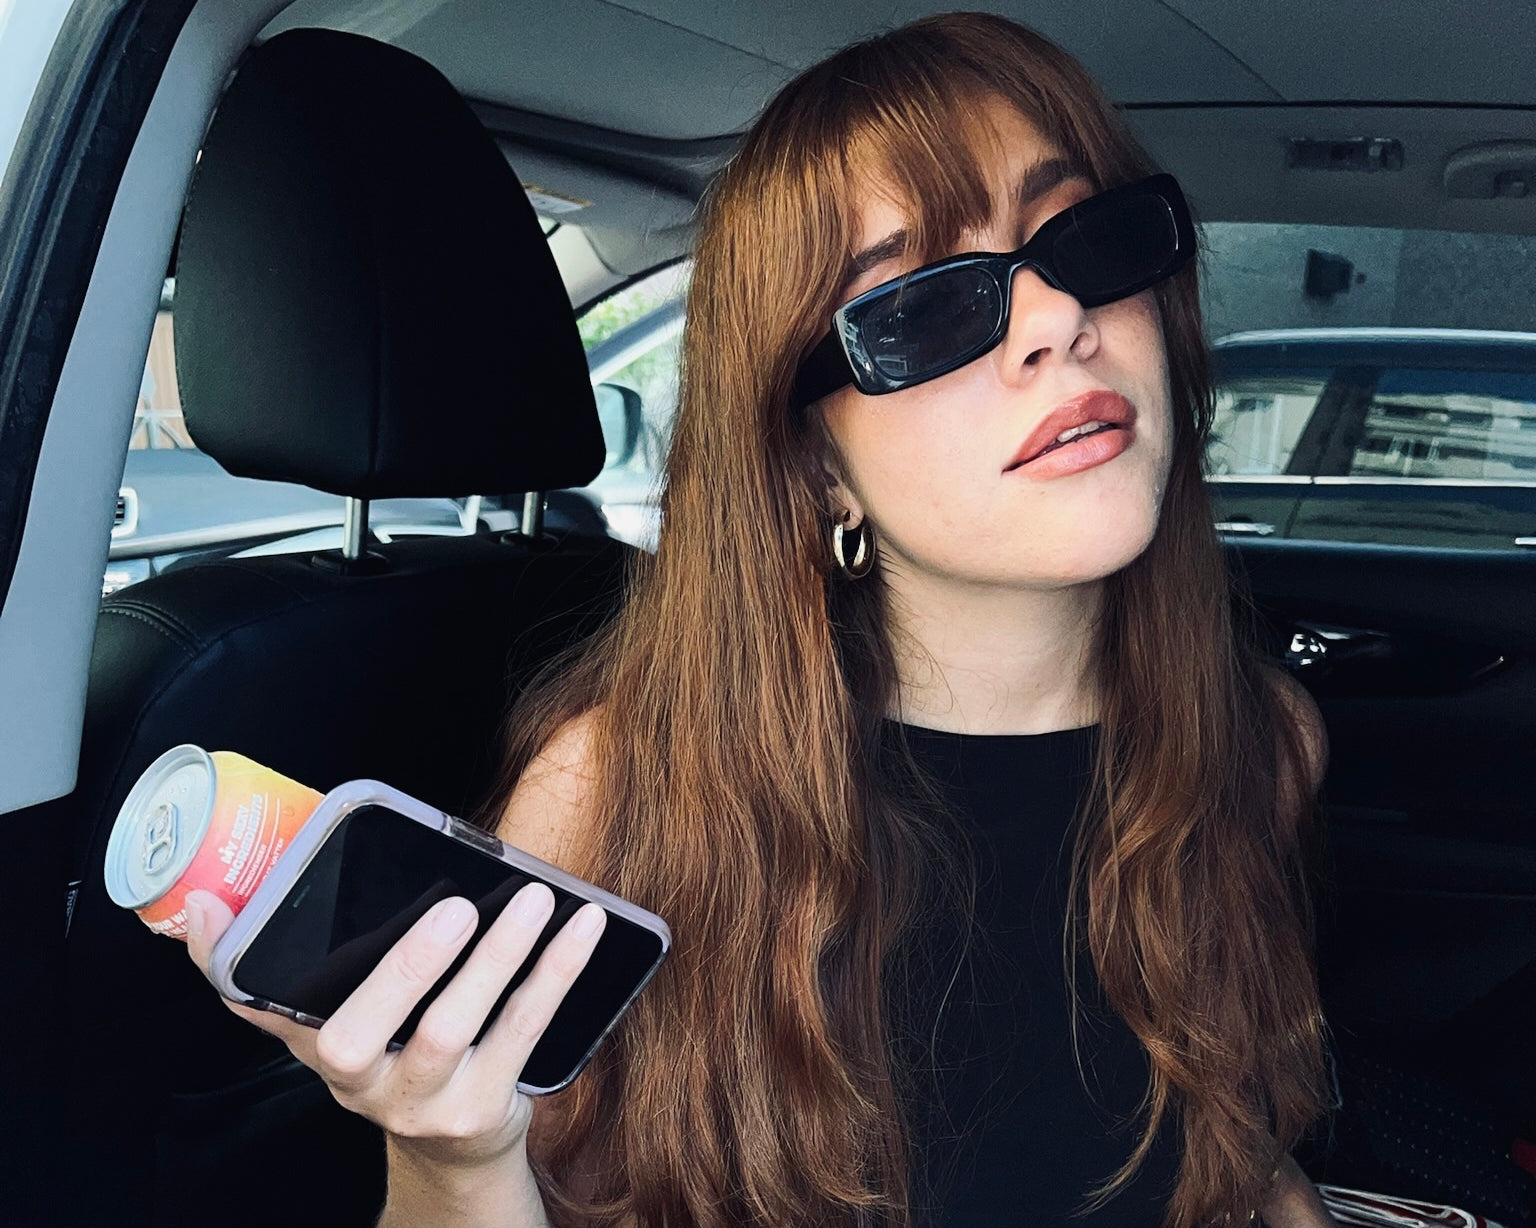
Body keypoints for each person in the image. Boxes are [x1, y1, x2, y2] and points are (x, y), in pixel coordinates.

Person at [188, 13, 1340, 1227]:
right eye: (921, 310)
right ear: (816, 467)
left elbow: (1240, 1164)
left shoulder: (1259, 743)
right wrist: (455, 1162)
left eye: (1088, 239)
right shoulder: (627, 795)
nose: (1057, 319)